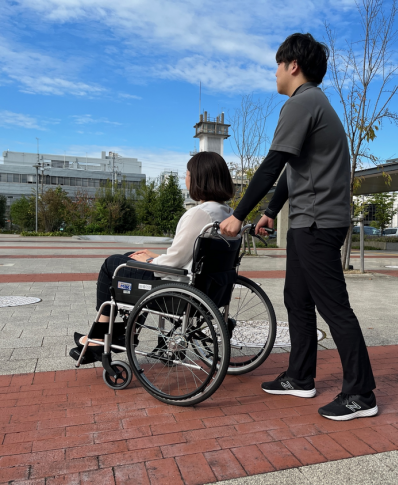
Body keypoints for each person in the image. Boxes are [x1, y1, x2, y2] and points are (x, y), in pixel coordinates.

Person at [220, 33, 377, 421]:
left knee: (334, 307)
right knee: (297, 299)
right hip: (311, 220)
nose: (274, 72)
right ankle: (300, 377)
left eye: (278, 64)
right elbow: (293, 168)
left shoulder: (301, 103)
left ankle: (361, 393)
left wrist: (237, 215)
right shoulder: (316, 104)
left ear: (293, 66)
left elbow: (272, 164)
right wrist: (272, 210)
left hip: (317, 223)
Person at [70, 151, 235, 364]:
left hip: (178, 290)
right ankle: (125, 333)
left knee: (112, 264)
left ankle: (99, 338)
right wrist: (151, 256)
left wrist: (148, 262)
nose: (185, 178)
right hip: (209, 288)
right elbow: (188, 257)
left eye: (187, 173)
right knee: (130, 256)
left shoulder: (199, 213)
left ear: (199, 178)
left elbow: (174, 263)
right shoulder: (228, 214)